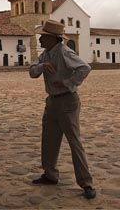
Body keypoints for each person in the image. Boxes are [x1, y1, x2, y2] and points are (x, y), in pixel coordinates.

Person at [29, 20, 96, 200]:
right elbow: (32, 72)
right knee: (49, 139)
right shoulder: (46, 54)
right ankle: (50, 175)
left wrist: (67, 82)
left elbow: (84, 68)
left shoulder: (65, 52)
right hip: (52, 101)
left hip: (67, 101)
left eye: (43, 36)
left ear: (52, 38)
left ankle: (86, 183)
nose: (40, 38)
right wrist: (42, 66)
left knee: (74, 142)